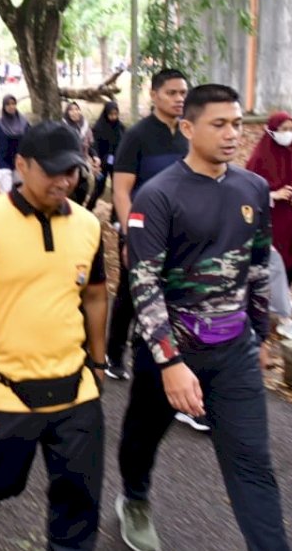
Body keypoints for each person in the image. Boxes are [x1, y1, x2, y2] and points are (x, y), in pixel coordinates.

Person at [118, 84, 287, 551]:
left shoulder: (252, 188)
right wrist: (170, 364)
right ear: (189, 128)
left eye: (236, 123)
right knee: (142, 437)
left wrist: (262, 335)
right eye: (219, 124)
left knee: (252, 462)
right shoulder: (157, 196)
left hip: (234, 351)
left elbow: (257, 268)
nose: (232, 134)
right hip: (168, 352)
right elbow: (144, 283)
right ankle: (134, 498)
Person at [0, 122, 108, 550]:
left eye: (71, 170)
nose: (64, 180)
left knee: (79, 501)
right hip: (7, 389)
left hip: (77, 388)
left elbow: (94, 296)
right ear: (20, 165)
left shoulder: (88, 225)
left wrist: (99, 359)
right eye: (52, 171)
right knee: (2, 482)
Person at [106, 70, 192, 395]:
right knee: (131, 293)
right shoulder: (137, 136)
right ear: (154, 95)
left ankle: (158, 351)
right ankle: (114, 353)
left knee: (171, 293)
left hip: (179, 231)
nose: (179, 98)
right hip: (142, 229)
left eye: (183, 92)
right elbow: (121, 191)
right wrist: (131, 237)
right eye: (171, 92)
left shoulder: (187, 134)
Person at [246, 112, 292, 340]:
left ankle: (280, 299)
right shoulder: (260, 157)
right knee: (274, 262)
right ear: (271, 130)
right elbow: (249, 191)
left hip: (288, 216)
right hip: (265, 218)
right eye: (283, 129)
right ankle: (284, 318)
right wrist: (273, 194)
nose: (288, 134)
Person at [0, 94, 28, 194]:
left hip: (19, 162)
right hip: (3, 162)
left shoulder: (24, 122)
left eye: (13, 104)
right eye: (8, 104)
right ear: (4, 106)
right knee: (7, 193)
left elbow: (31, 139)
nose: (11, 106)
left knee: (21, 193)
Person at [86, 101, 125, 211]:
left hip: (117, 164)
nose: (113, 117)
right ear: (106, 114)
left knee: (116, 190)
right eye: (111, 114)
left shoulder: (120, 128)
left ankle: (115, 217)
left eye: (115, 114)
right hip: (101, 163)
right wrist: (95, 157)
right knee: (99, 188)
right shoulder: (99, 128)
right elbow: (92, 146)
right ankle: (88, 209)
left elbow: (126, 144)